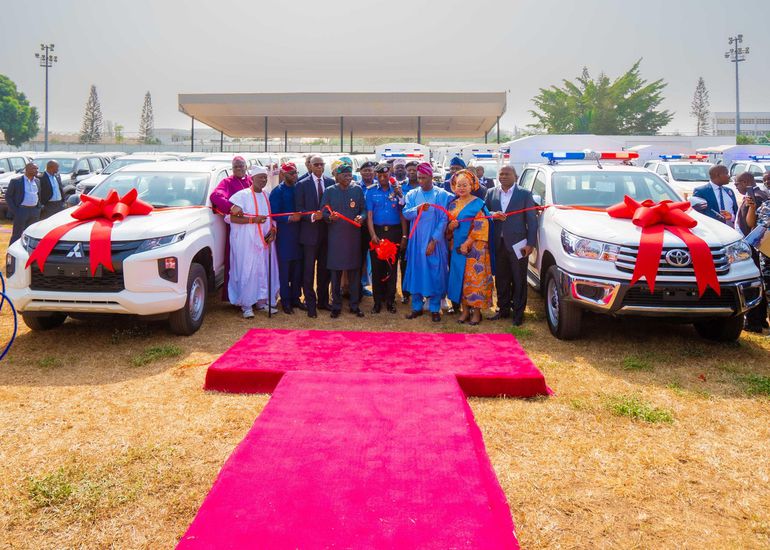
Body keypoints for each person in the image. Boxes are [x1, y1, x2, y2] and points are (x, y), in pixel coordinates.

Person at [484, 165, 538, 325]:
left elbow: (532, 221)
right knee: (501, 278)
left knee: (519, 278)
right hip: (498, 244)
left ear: (515, 176)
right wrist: (493, 215)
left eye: (507, 174)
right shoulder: (491, 192)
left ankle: (518, 313)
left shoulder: (524, 194)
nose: (503, 176)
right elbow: (484, 212)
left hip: (519, 245)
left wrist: (530, 244)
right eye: (501, 174)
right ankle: (503, 309)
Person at [225, 166, 279, 318]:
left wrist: (273, 230)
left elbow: (272, 218)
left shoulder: (267, 195)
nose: (263, 180)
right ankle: (247, 305)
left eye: (265, 177)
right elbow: (232, 217)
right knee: (248, 270)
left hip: (265, 241)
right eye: (260, 177)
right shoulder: (241, 196)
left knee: (263, 270)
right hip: (247, 242)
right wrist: (252, 220)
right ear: (252, 178)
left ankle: (261, 302)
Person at [402, 162, 452, 322]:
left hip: (435, 242)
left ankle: (435, 307)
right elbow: (406, 214)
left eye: (424, 178)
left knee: (436, 272)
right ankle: (416, 306)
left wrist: (434, 241)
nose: (421, 181)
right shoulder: (412, 195)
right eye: (419, 178)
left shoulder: (442, 195)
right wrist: (417, 209)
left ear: (431, 177)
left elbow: (444, 219)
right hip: (416, 241)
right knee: (416, 272)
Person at [445, 169, 494, 326]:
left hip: (475, 248)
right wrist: (450, 227)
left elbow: (482, 225)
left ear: (472, 185)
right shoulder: (452, 205)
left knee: (474, 279)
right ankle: (465, 310)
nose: (461, 188)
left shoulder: (478, 203)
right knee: (460, 278)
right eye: (458, 185)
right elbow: (447, 230)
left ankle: (477, 312)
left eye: (465, 185)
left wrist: (468, 243)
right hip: (457, 248)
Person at [320, 163, 367, 318]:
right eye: (344, 175)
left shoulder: (357, 190)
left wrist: (362, 217)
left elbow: (364, 209)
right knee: (335, 274)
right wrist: (329, 217)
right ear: (337, 176)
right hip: (336, 239)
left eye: (350, 174)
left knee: (354, 272)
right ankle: (336, 306)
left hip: (353, 238)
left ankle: (354, 305)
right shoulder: (329, 191)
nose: (348, 177)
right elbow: (323, 210)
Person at [295, 155, 334, 318]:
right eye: (315, 164)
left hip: (327, 234)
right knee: (308, 271)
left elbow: (334, 207)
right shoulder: (302, 185)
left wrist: (329, 216)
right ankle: (311, 304)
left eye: (321, 164)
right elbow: (299, 209)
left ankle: (323, 301)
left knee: (325, 270)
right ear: (310, 166)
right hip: (309, 235)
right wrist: (312, 216)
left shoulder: (331, 183)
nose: (319, 167)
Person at [209, 156, 253, 302]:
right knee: (237, 262)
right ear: (232, 169)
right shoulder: (227, 182)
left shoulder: (251, 181)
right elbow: (215, 196)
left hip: (253, 227)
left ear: (246, 167)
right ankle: (235, 295)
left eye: (241, 166)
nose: (239, 169)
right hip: (238, 228)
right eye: (236, 167)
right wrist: (230, 207)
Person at [366, 163, 408, 313]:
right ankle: (377, 302)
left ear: (390, 174)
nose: (383, 178)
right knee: (377, 268)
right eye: (380, 176)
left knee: (391, 267)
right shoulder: (371, 192)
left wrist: (404, 235)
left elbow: (403, 214)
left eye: (386, 175)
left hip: (394, 232)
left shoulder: (397, 191)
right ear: (376, 176)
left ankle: (390, 301)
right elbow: (369, 216)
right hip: (377, 232)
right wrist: (373, 235)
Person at [269, 162, 305, 314]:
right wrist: (290, 218)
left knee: (298, 269)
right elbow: (274, 213)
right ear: (283, 175)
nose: (295, 176)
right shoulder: (277, 191)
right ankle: (285, 301)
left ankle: (296, 298)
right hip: (285, 236)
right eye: (291, 174)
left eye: (296, 173)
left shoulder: (300, 188)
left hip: (300, 235)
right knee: (285, 270)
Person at [737, 171, 769, 333]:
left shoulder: (760, 195)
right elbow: (752, 223)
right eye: (765, 180)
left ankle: (757, 321)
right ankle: (760, 321)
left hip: (763, 250)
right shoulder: (763, 203)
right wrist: (752, 208)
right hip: (764, 252)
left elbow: (753, 226)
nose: (767, 183)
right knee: (765, 288)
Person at [399, 161, 420, 303]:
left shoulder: (424, 186)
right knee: (405, 262)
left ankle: (420, 290)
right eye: (410, 170)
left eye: (414, 170)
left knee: (420, 261)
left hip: (422, 229)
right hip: (405, 227)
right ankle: (406, 293)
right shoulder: (401, 188)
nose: (412, 172)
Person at [7, 162, 41, 244]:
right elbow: (8, 196)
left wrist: (38, 208)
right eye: (34, 169)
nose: (36, 171)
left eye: (37, 169)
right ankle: (12, 253)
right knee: (17, 234)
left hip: (34, 211)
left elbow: (39, 195)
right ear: (27, 169)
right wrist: (16, 211)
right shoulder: (16, 181)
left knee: (32, 234)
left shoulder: (37, 181)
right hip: (22, 210)